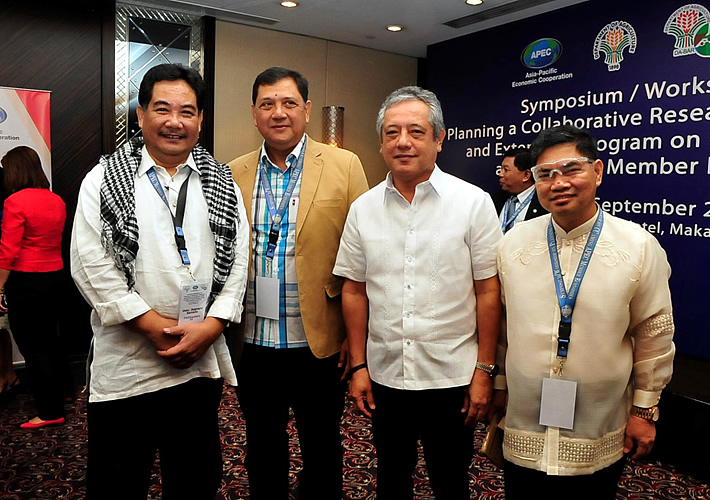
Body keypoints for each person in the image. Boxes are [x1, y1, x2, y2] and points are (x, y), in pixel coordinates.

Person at [71, 63, 249, 500]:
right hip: (127, 365)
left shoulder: (222, 181)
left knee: (194, 478)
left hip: (198, 362)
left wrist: (213, 325)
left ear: (201, 119)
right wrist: (151, 325)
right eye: (162, 109)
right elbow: (88, 263)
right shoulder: (104, 178)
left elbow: (240, 258)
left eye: (187, 111)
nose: (175, 122)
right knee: (118, 481)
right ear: (140, 114)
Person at [334, 86, 502, 499]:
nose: (403, 142)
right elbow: (354, 291)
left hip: (452, 376)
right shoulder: (364, 208)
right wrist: (358, 367)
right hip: (387, 374)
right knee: (391, 475)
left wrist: (484, 370)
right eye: (392, 133)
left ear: (440, 139)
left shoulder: (473, 203)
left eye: (416, 131)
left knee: (451, 478)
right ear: (381, 142)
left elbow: (488, 292)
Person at [495, 125, 675, 499]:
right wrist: (498, 387)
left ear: (597, 171)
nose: (558, 183)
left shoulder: (638, 246)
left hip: (598, 423)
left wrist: (644, 411)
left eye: (571, 169)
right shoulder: (512, 245)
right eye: (546, 174)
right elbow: (502, 326)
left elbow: (654, 333)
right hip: (524, 418)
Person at [227, 66, 369, 500]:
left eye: (289, 103)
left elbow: (364, 258)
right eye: (267, 104)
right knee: (261, 446)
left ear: (307, 111)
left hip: (320, 342)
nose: (278, 113)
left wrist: (355, 338)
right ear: (254, 113)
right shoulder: (232, 172)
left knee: (323, 446)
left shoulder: (345, 165)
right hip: (253, 342)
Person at [0, 146, 72, 428]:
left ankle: (50, 411)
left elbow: (8, 251)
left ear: (15, 170)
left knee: (33, 346)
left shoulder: (15, 202)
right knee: (51, 340)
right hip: (55, 276)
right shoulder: (56, 200)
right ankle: (64, 391)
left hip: (26, 280)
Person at [0, 168, 21, 399]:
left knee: (1, 327)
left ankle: (6, 374)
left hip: (5, 270)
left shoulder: (11, 203)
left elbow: (8, 247)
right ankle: (6, 374)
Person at [491, 146, 547, 233]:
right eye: (500, 169)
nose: (501, 174)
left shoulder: (543, 202)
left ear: (526, 175)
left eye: (506, 170)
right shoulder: (495, 200)